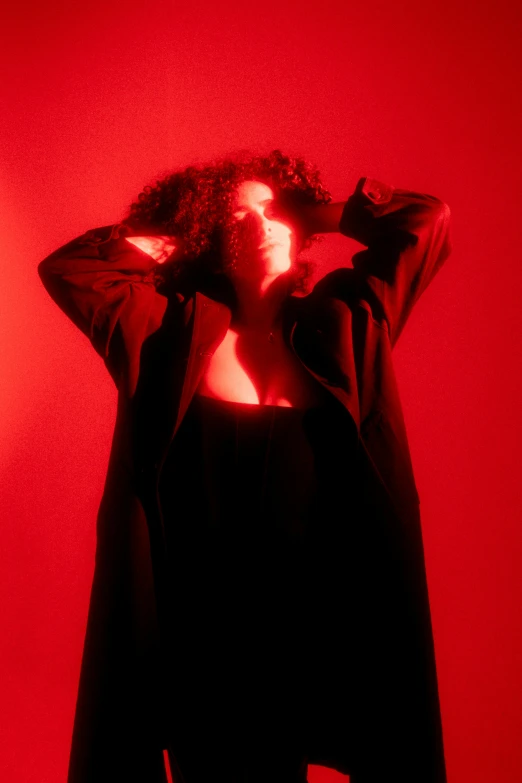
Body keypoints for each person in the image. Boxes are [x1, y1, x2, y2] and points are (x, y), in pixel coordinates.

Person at [38, 149, 452, 783]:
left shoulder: (348, 323)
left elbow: (425, 223)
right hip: (196, 640)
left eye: (275, 214)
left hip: (312, 633)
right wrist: (180, 230)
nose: (259, 225)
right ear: (212, 239)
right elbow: (71, 268)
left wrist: (316, 211)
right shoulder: (163, 329)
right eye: (237, 219)